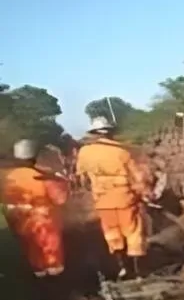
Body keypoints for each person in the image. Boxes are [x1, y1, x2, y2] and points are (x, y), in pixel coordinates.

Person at [75, 115, 152, 278]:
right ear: (110, 132)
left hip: (103, 201)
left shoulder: (84, 152)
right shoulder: (122, 152)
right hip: (125, 199)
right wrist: (146, 194)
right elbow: (137, 178)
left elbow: (82, 179)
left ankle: (122, 268)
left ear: (94, 133)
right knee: (133, 233)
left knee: (112, 234)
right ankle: (137, 271)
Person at [0, 138, 70, 279]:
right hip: (45, 218)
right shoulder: (44, 175)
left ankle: (38, 272)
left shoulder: (8, 177)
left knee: (30, 245)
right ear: (34, 156)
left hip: (20, 218)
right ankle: (55, 274)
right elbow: (60, 199)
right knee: (50, 245)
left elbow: (5, 198)